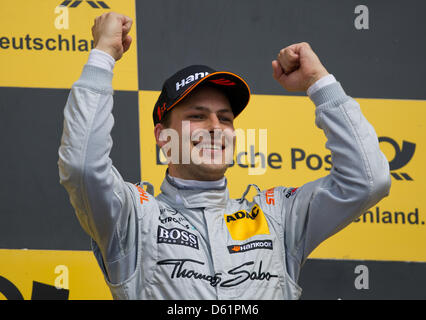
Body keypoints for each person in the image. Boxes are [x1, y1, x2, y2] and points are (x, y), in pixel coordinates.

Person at [58, 12, 391, 300]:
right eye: (198, 116)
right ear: (163, 136)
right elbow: (83, 166)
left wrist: (319, 83)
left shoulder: (278, 217)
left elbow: (367, 180)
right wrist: (103, 54)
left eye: (226, 118)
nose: (216, 127)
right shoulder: (135, 216)